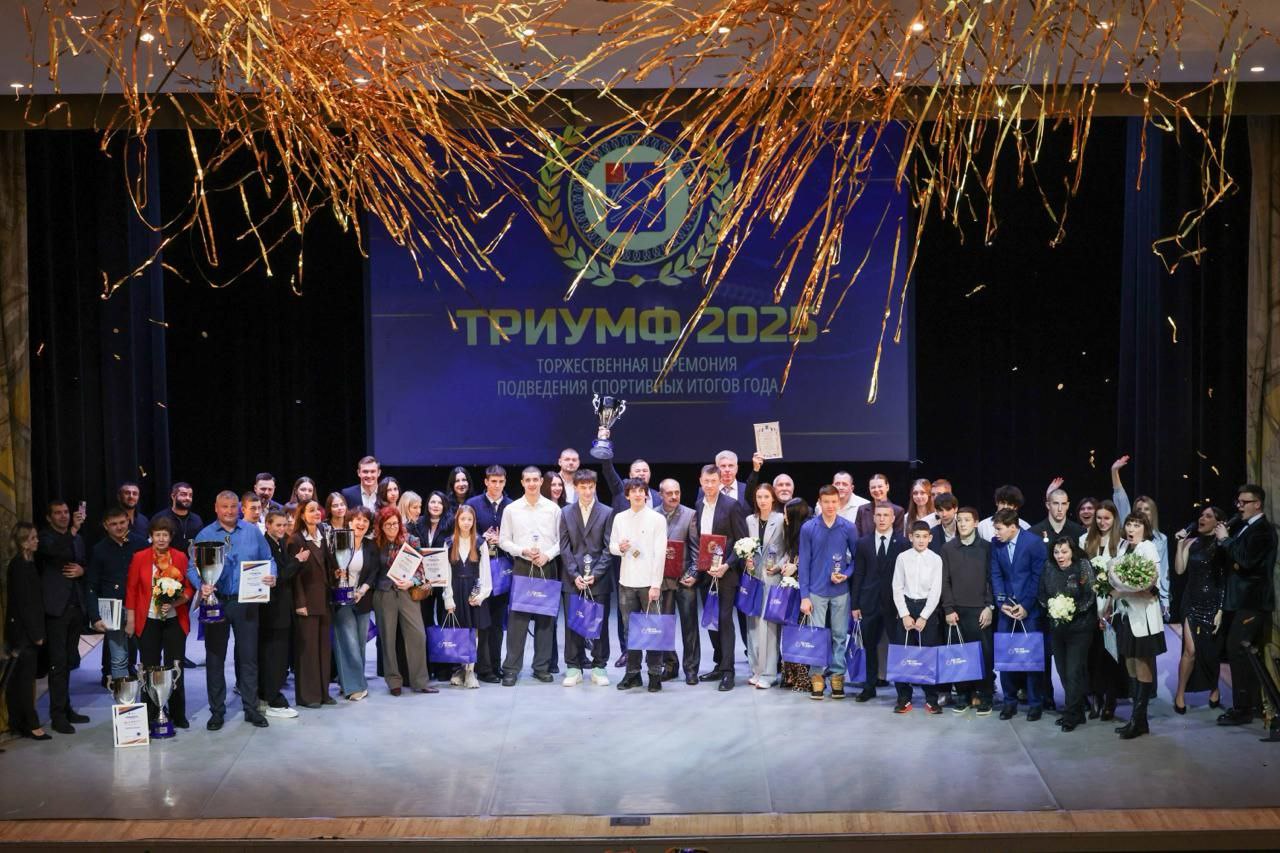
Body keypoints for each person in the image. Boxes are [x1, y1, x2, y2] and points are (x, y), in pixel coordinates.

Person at [189, 490, 276, 730]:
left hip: (246, 602)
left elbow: (269, 559)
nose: (229, 511)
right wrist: (201, 585)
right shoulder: (205, 534)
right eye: (224, 506)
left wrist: (272, 575)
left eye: (233, 506)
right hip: (216, 602)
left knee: (248, 658)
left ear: (239, 508)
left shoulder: (252, 531)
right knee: (215, 658)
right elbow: (191, 567)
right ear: (216, 508)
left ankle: (251, 709)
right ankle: (217, 711)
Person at [1215, 484, 1277, 727]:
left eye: (1244, 502)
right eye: (1238, 502)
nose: (1239, 506)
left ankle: (1243, 709)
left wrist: (1226, 540)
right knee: (1240, 651)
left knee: (1238, 650)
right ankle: (1249, 705)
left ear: (1257, 504)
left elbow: (1246, 560)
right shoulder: (1246, 527)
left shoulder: (1263, 531)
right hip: (1241, 601)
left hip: (1253, 601)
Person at [125, 516, 194, 730]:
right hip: (148, 622)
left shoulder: (180, 557)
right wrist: (130, 620)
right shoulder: (140, 557)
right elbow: (132, 589)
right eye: (157, 535)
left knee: (176, 668)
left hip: (174, 621)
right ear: (151, 536)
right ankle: (151, 713)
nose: (161, 539)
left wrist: (176, 602)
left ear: (171, 537)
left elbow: (189, 588)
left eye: (165, 535)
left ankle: (178, 714)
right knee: (149, 668)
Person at [500, 466, 563, 685]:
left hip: (547, 565)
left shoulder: (553, 509)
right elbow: (503, 540)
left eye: (535, 480)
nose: (532, 484)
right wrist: (522, 551)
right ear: (522, 482)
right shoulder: (512, 509)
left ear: (541, 482)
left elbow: (561, 541)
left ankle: (541, 667)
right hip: (522, 565)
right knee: (517, 621)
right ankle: (511, 669)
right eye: (528, 480)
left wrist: (548, 555)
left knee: (546, 619)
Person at [1107, 512, 1166, 739]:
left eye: (1137, 525)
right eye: (1129, 524)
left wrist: (1125, 589)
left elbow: (1150, 584)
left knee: (1142, 664)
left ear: (1145, 529)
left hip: (1143, 617)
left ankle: (1139, 720)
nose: (1132, 529)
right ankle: (1138, 720)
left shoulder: (1148, 548)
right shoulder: (1123, 547)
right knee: (1130, 664)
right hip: (1126, 615)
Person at [798, 484, 859, 699]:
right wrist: (804, 596)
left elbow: (856, 560)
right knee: (816, 635)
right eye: (826, 502)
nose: (830, 505)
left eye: (834, 501)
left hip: (840, 591)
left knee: (840, 636)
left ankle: (837, 675)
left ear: (839, 502)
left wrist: (846, 574)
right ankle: (816, 676)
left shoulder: (848, 527)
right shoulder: (808, 528)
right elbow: (804, 564)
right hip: (816, 591)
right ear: (820, 502)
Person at [1029, 488, 1087, 713]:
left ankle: (1077, 699)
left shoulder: (1078, 532)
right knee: (1044, 655)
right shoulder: (1035, 532)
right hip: (1045, 606)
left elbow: (1085, 570)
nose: (1060, 508)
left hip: (1074, 610)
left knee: (1073, 661)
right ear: (1048, 505)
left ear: (1069, 505)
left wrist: (1076, 605)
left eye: (1064, 504)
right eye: (1055, 503)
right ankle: (1046, 696)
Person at [36, 498, 90, 734]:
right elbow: (55, 552)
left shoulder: (76, 538)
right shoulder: (45, 537)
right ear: (49, 518)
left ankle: (66, 708)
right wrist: (73, 530)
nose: (64, 516)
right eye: (58, 513)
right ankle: (57, 715)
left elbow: (83, 563)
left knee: (69, 661)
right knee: (57, 664)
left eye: (66, 512)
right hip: (56, 609)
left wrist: (82, 570)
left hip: (75, 607)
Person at [694, 464, 749, 691]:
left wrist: (727, 565)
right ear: (700, 481)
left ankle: (728, 671)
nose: (709, 485)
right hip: (706, 572)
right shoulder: (699, 505)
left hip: (726, 573)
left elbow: (742, 541)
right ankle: (719, 664)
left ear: (720, 482)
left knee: (725, 620)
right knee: (711, 620)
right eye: (706, 481)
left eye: (713, 481)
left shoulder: (732, 505)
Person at [610, 478, 668, 692]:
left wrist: (656, 584)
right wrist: (620, 547)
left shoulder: (657, 519)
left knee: (653, 630)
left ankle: (654, 674)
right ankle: (633, 673)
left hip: (649, 583)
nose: (637, 494)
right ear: (627, 495)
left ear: (646, 494)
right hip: (626, 582)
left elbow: (660, 554)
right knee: (630, 631)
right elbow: (611, 545)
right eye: (633, 491)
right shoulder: (619, 518)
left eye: (641, 490)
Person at [370, 506, 435, 695]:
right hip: (384, 593)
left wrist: (412, 581)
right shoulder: (375, 543)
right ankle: (394, 682)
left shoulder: (411, 540)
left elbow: (421, 568)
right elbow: (371, 570)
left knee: (418, 635)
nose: (392, 527)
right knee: (388, 638)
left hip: (407, 592)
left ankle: (420, 681)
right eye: (387, 524)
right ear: (381, 526)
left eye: (395, 523)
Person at [991, 508, 1048, 721]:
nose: (996, 533)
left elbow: (1038, 577)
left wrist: (1026, 605)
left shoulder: (1034, 543)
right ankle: (1009, 702)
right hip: (1006, 610)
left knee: (1031, 659)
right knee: (1006, 658)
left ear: (1013, 527)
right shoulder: (996, 543)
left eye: (999, 529)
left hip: (1029, 611)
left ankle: (1035, 703)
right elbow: (996, 574)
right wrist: (1001, 602)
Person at [559, 470, 614, 687]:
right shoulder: (565, 512)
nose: (588, 491)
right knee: (573, 623)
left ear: (595, 487)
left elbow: (609, 548)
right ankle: (573, 667)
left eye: (591, 487)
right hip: (572, 579)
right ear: (576, 488)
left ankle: (599, 666)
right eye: (583, 487)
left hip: (598, 579)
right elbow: (564, 547)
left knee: (599, 623)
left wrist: (596, 574)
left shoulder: (607, 512)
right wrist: (575, 574)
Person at [1037, 537, 1098, 732]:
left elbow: (1090, 595)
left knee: (1073, 672)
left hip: (1080, 628)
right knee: (1063, 672)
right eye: (1056, 552)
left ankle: (1071, 714)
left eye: (1064, 551)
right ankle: (1077, 711)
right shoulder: (1048, 567)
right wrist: (1053, 608)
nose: (1060, 556)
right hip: (1057, 628)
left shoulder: (1082, 565)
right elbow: (1042, 594)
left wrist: (1071, 609)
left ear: (1072, 551)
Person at [851, 504, 908, 702]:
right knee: (869, 645)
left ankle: (903, 691)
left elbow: (906, 577)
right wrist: (855, 604)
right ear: (873, 518)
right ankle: (869, 686)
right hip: (869, 602)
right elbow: (859, 574)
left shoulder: (903, 543)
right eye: (879, 515)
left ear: (893, 518)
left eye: (886, 515)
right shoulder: (863, 543)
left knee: (898, 646)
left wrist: (905, 607)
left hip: (894, 604)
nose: (882, 519)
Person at [940, 506, 994, 714]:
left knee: (983, 655)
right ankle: (962, 694)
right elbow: (944, 581)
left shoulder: (986, 548)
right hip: (956, 611)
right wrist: (948, 609)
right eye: (959, 520)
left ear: (976, 523)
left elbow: (991, 579)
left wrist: (989, 606)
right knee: (958, 654)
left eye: (967, 520)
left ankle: (984, 694)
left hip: (980, 610)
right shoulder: (948, 548)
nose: (962, 524)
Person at [1172, 506, 1226, 712]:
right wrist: (1180, 543)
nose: (1202, 518)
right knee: (1190, 650)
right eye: (1202, 515)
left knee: (1210, 652)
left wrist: (1220, 609)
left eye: (1208, 516)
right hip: (1191, 602)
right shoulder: (1190, 542)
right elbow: (1179, 570)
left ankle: (1214, 688)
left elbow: (1224, 579)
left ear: (1218, 523)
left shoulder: (1222, 545)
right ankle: (1180, 694)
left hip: (1213, 603)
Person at [86, 506, 147, 686]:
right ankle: (124, 699)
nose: (119, 527)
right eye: (114, 524)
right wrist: (95, 616)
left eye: (122, 522)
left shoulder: (141, 544)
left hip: (140, 607)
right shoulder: (99, 550)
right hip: (113, 609)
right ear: (106, 525)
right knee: (118, 658)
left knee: (148, 654)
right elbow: (91, 585)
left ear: (128, 521)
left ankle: (150, 696)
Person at [889, 521, 944, 713]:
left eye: (925, 537)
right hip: (906, 606)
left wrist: (924, 616)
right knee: (903, 653)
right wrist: (904, 614)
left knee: (928, 654)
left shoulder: (936, 559)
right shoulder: (902, 558)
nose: (921, 540)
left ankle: (931, 698)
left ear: (930, 538)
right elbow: (897, 587)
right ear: (911, 537)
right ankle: (903, 697)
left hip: (927, 609)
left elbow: (936, 591)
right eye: (917, 536)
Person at [289, 499, 339, 708]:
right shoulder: (296, 539)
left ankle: (323, 693)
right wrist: (300, 602)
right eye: (311, 510)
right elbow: (295, 577)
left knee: (323, 649)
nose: (317, 513)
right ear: (302, 515)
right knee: (308, 650)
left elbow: (326, 567)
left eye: (318, 510)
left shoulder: (323, 536)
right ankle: (308, 696)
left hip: (324, 600)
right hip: (307, 602)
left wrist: (336, 574)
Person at [466, 465, 512, 684]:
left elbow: (517, 536)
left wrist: (502, 540)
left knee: (498, 622)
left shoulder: (511, 506)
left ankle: (495, 664)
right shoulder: (473, 504)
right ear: (486, 482)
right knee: (482, 621)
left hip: (503, 571)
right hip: (480, 571)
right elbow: (464, 531)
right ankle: (483, 668)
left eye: (501, 482)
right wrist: (481, 538)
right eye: (493, 481)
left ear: (505, 482)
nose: (497, 485)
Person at [1080, 499, 1125, 719]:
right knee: (1093, 654)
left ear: (1114, 519)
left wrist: (1109, 602)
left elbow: (1123, 578)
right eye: (1099, 518)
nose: (1102, 522)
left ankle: (1111, 699)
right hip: (1090, 606)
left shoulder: (1122, 543)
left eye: (1106, 518)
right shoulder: (1084, 540)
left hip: (1113, 606)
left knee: (1111, 654)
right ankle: (1095, 697)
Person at [1110, 457, 1171, 616]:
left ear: (1153, 512)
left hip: (1149, 596)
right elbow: (1121, 500)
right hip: (1126, 596)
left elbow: (1164, 570)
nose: (1142, 512)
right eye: (1139, 509)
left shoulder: (1160, 539)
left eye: (1146, 509)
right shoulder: (1128, 533)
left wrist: (1165, 599)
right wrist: (1114, 471)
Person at [5, 523, 49, 740]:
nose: (37, 541)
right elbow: (24, 604)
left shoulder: (28, 564)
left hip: (25, 631)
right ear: (24, 543)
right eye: (33, 538)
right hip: (23, 633)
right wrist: (36, 634)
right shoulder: (19, 567)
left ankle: (19, 722)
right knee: (23, 680)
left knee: (22, 679)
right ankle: (30, 724)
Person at [657, 478, 701, 685]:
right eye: (669, 493)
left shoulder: (690, 514)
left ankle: (691, 669)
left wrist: (694, 573)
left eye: (677, 492)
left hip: (685, 580)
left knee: (689, 626)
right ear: (660, 495)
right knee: (664, 625)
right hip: (662, 580)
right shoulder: (652, 515)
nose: (674, 496)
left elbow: (696, 549)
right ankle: (670, 666)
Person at [444, 504, 493, 689]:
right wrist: (448, 598)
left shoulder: (480, 543)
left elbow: (485, 573)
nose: (466, 522)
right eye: (463, 519)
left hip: (473, 591)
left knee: (473, 632)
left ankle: (471, 671)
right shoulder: (449, 543)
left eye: (469, 519)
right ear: (457, 520)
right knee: (458, 632)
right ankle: (459, 669)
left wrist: (480, 595)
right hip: (456, 590)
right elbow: (446, 573)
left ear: (474, 522)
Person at [259, 508, 302, 718]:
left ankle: (270, 694)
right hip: (272, 611)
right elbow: (279, 576)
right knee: (273, 655)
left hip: (281, 609)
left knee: (278, 655)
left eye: (285, 525)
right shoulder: (265, 545)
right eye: (278, 525)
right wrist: (298, 560)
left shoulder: (280, 543)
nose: (282, 529)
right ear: (267, 524)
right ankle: (270, 697)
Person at [332, 506, 377, 700]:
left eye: (365, 520)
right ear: (349, 522)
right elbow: (330, 567)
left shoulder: (371, 545)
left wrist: (362, 590)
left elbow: (374, 572)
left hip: (362, 599)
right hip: (341, 599)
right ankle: (356, 687)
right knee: (348, 643)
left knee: (359, 644)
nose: (361, 523)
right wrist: (336, 574)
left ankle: (349, 683)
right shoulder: (339, 541)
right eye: (357, 519)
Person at [745, 483, 786, 689]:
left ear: (773, 499)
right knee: (752, 625)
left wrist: (779, 566)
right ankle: (756, 670)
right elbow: (747, 547)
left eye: (766, 497)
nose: (762, 501)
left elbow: (788, 549)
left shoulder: (780, 519)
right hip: (753, 578)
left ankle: (769, 674)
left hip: (772, 578)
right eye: (759, 497)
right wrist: (747, 560)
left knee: (769, 628)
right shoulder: (749, 520)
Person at [778, 498, 811, 691]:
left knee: (800, 633)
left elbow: (811, 560)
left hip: (803, 590)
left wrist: (795, 567)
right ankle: (790, 676)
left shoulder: (806, 532)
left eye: (786, 513)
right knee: (790, 631)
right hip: (791, 587)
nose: (784, 517)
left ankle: (802, 679)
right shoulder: (793, 532)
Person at [152, 482, 203, 556]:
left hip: (191, 562)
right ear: (173, 496)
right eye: (183, 494)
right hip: (166, 561)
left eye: (190, 495)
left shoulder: (197, 520)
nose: (188, 498)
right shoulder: (160, 518)